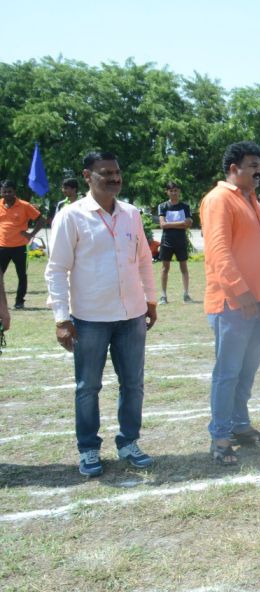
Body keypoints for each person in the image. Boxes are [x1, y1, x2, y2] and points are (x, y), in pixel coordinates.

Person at [44, 151, 158, 477]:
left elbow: (143, 260)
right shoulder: (71, 216)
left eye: (117, 172)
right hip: (89, 318)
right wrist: (62, 319)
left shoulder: (131, 214)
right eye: (105, 173)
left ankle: (129, 443)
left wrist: (150, 301)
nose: (114, 178)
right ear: (87, 176)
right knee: (88, 387)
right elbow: (56, 269)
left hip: (131, 315)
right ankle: (89, 448)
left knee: (133, 384)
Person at [201, 141, 260, 466]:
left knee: (247, 369)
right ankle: (221, 437)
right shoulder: (219, 199)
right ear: (234, 169)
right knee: (228, 372)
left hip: (259, 301)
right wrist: (242, 293)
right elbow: (219, 252)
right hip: (233, 304)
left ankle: (239, 424)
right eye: (253, 165)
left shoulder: (251, 200)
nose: (259, 171)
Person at [1, 180, 46, 310]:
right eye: (4, 192)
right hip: (2, 247)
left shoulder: (24, 205)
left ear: (14, 192)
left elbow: (41, 220)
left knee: (22, 275)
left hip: (20, 247)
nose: (7, 194)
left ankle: (19, 302)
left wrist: (31, 234)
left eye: (9, 191)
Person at [157, 181, 193, 304]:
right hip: (167, 241)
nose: (174, 193)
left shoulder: (185, 207)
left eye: (176, 190)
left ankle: (186, 294)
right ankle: (163, 296)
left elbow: (188, 224)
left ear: (179, 191)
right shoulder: (163, 206)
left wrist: (170, 224)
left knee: (184, 268)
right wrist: (181, 223)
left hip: (181, 241)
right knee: (164, 268)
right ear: (167, 192)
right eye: (171, 191)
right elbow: (162, 225)